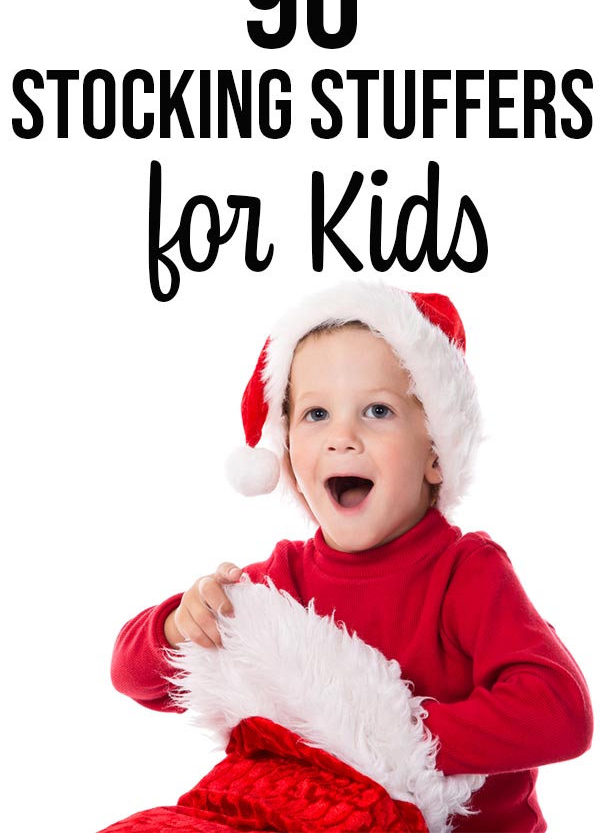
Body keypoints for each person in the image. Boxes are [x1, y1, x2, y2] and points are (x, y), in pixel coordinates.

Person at [111, 282, 593, 832]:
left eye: (377, 410)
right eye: (316, 415)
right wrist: (177, 625)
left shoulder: (466, 573)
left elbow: (560, 713)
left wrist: (385, 739)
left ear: (435, 452)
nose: (343, 436)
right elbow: (131, 674)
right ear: (288, 457)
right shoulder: (282, 582)